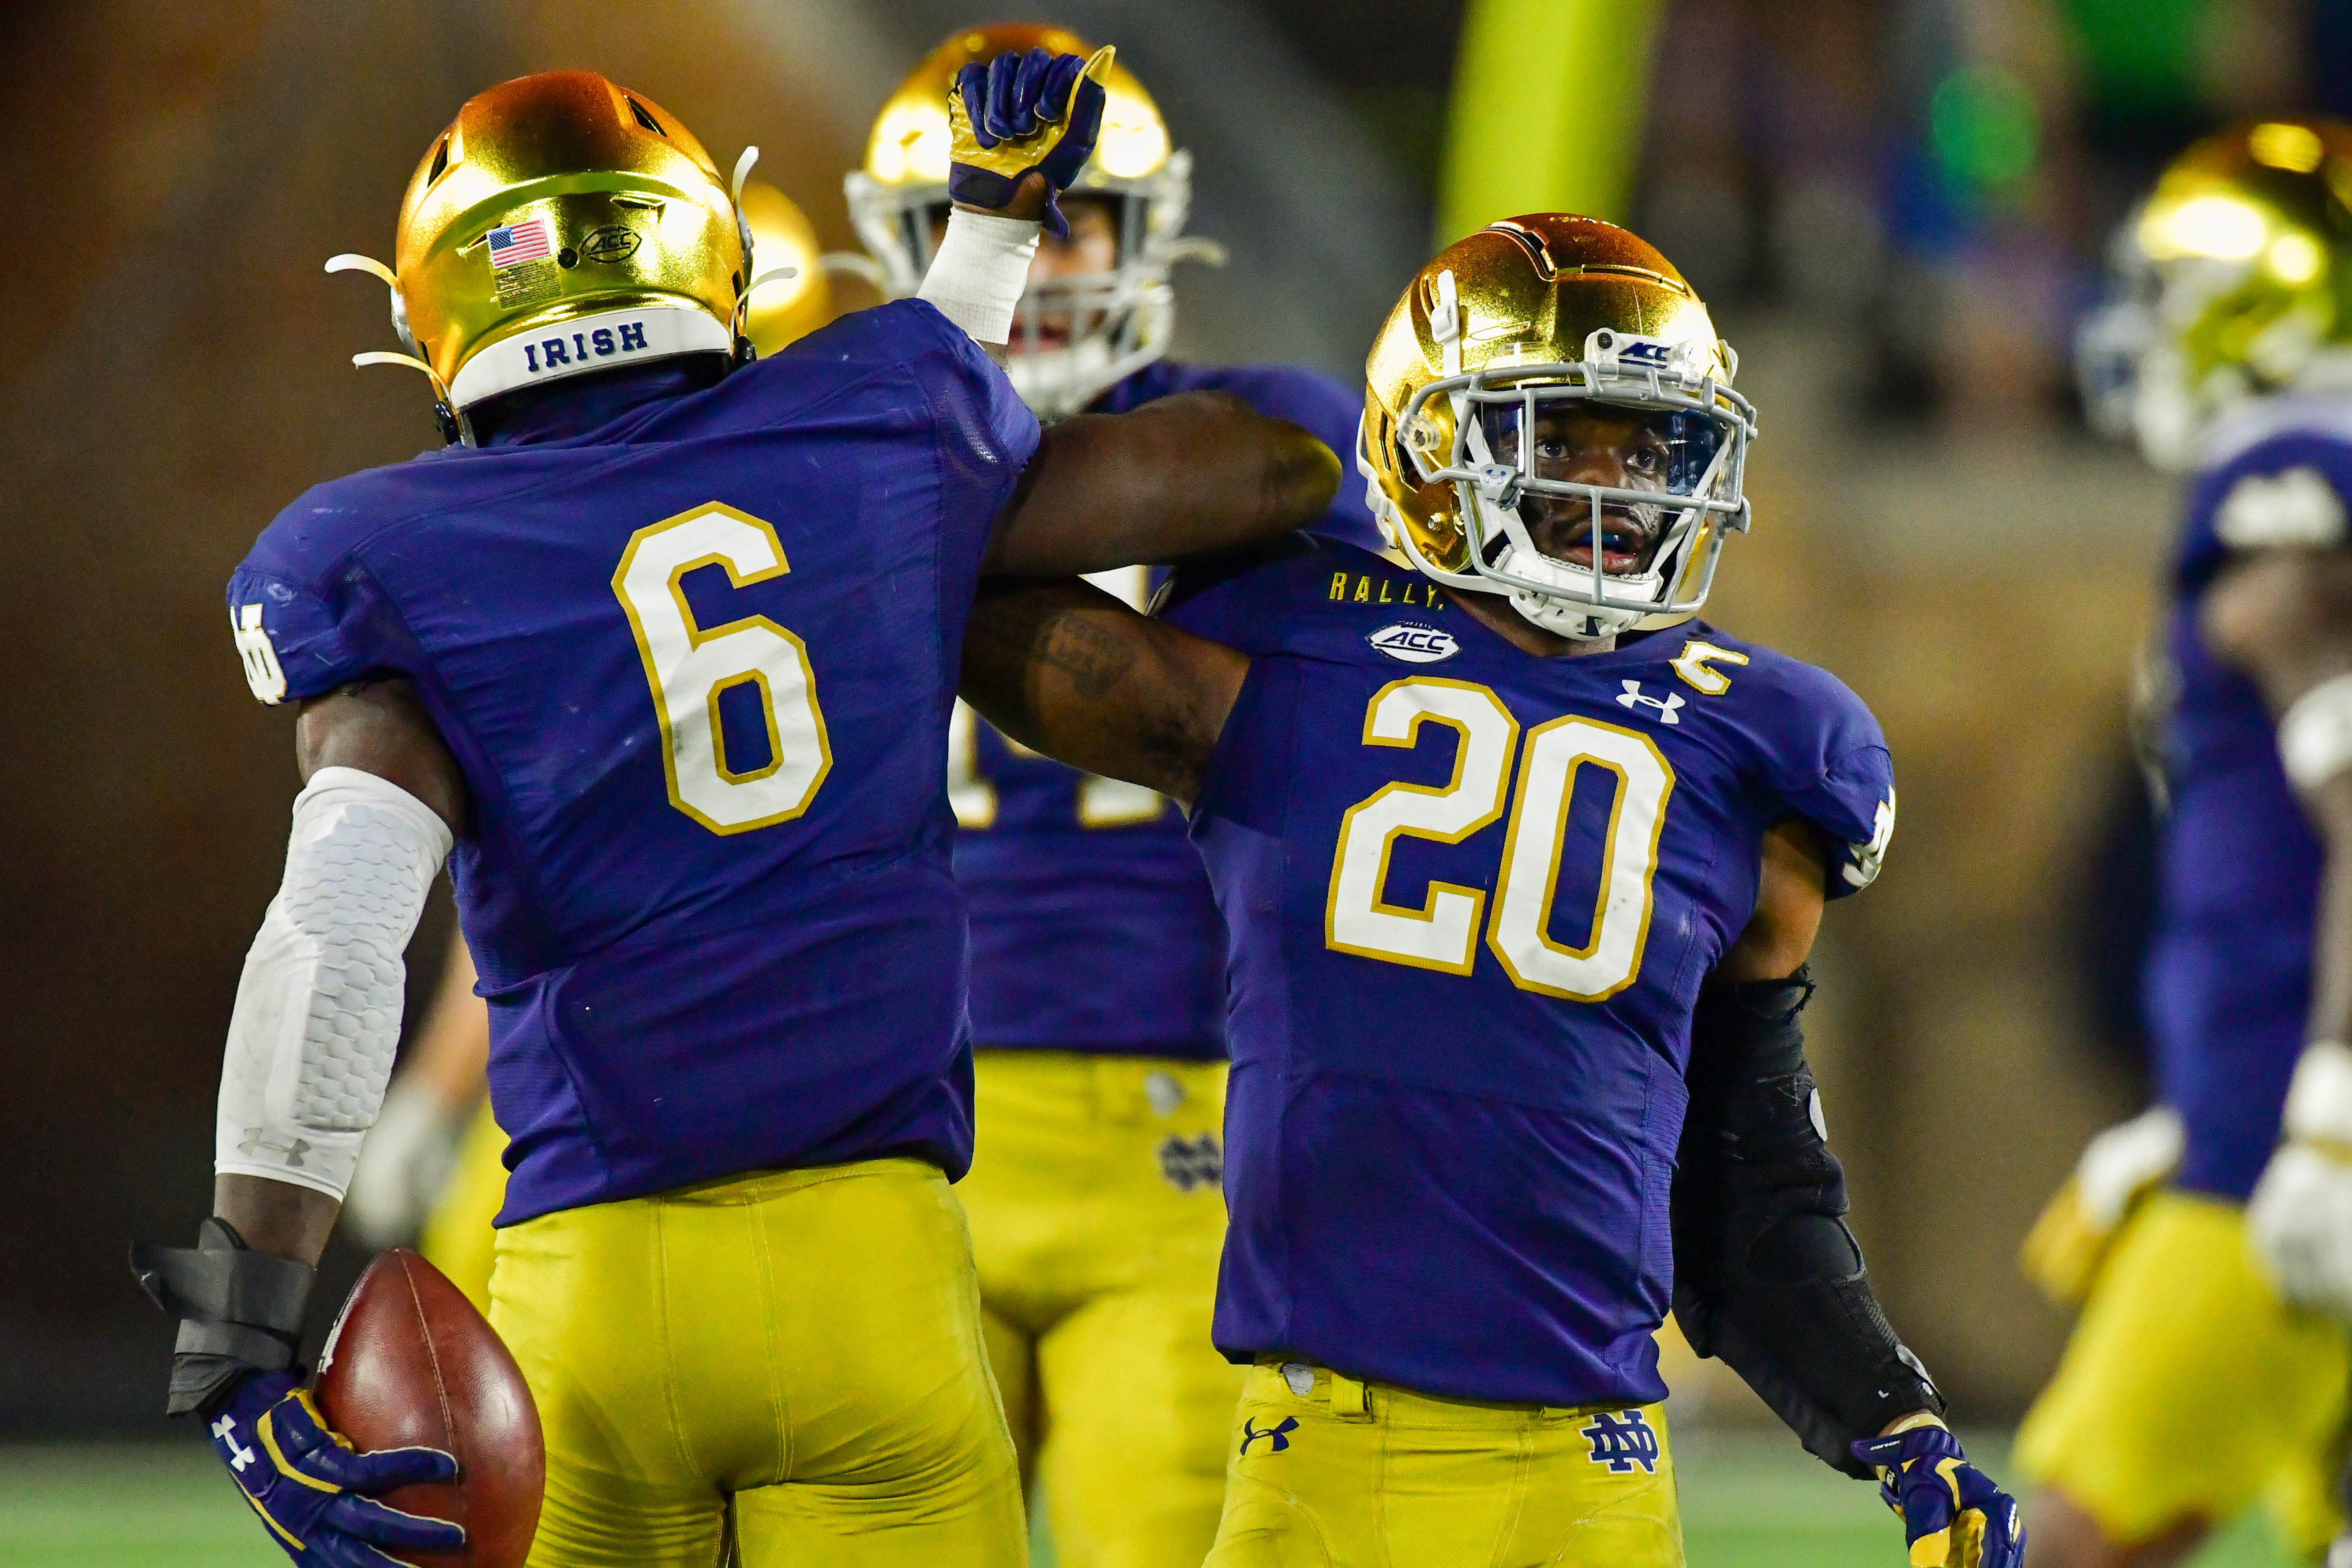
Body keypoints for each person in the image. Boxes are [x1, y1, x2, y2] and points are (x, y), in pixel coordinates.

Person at [129, 56, 1341, 1568]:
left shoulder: (377, 549)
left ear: (431, 310)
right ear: (707, 249)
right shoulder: (867, 435)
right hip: (873, 1274)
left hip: (593, 1284)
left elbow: (336, 932)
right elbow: (1190, 459)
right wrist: (998, 215)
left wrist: (241, 1332)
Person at [956, 212, 2024, 1567]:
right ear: (1428, 443)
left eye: (1646, 445)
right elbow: (937, 566)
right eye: (1562, 435)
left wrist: (1897, 1418)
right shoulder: (1281, 658)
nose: (1612, 485)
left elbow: (1744, 1175)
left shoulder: (1759, 742)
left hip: (1588, 1474)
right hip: (1316, 1453)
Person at [844, 23, 1382, 1562]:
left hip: (1186, 1116)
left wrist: (897, 466)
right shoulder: (830, 449)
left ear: (1157, 236)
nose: (1050, 251)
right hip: (892, 1114)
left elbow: (1187, 478)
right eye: (1013, 214)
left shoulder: (1258, 429)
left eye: (1087, 213)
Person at [338, 180, 842, 1317]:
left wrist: (430, 1095)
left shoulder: (555, 564)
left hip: (609, 1107)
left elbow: (541, 871)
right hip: (843, 1090)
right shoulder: (872, 530)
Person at [2020, 118, 2352, 1568]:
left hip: (2281, 1135)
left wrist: (2319, 1108)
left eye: (2171, 289)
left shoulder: (2284, 471)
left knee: (2078, 1541)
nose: (2141, 326)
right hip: (2264, 1100)